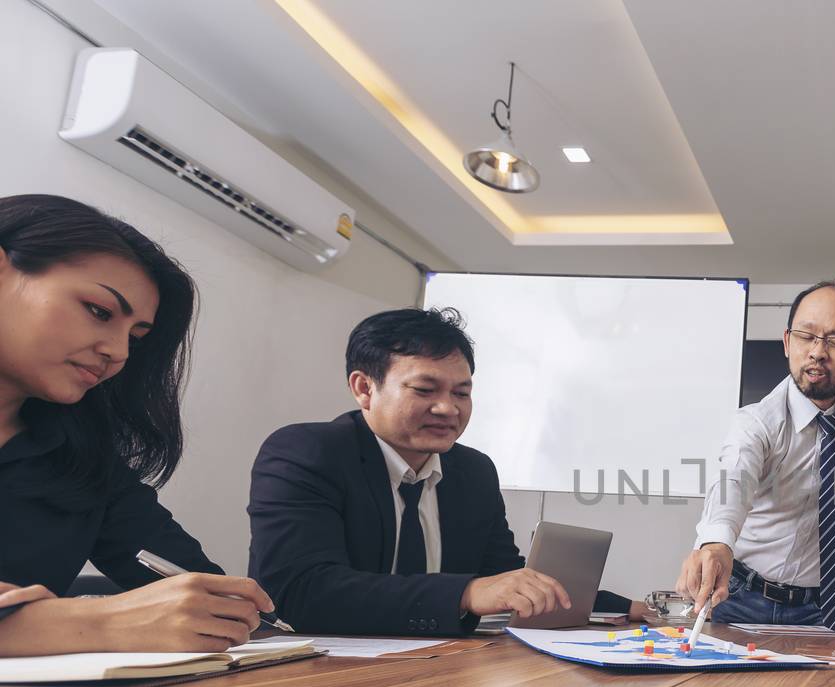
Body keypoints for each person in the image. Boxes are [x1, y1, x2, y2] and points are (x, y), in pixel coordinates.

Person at [248, 307, 636, 635]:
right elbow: (301, 590)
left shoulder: (473, 471)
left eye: (461, 393)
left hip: (443, 668)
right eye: (424, 390)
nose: (448, 409)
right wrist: (466, 594)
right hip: (322, 668)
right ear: (364, 388)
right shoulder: (307, 452)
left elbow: (503, 577)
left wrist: (617, 605)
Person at [0, 194, 273, 656]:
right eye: (99, 311)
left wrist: (226, 612)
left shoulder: (82, 462)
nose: (119, 352)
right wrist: (96, 622)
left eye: (135, 338)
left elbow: (203, 590)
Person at [677, 280, 835, 634]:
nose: (818, 352)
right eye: (806, 336)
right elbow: (733, 485)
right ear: (788, 343)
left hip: (827, 602)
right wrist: (716, 544)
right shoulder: (756, 422)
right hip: (742, 594)